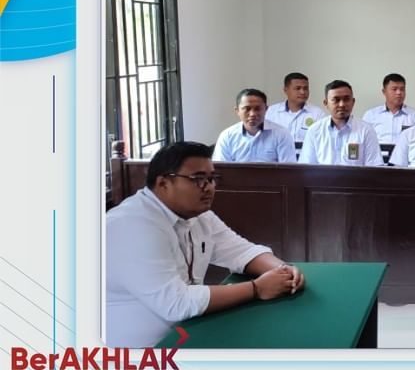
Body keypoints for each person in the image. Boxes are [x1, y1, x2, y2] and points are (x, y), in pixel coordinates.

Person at [106, 142, 305, 348]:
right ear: (163, 183)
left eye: (211, 178)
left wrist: (282, 270)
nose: (209, 187)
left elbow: (241, 251)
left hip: (187, 331)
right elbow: (176, 303)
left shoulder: (199, 216)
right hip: (136, 350)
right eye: (198, 179)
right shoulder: (133, 225)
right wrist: (256, 289)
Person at [299, 80, 382, 166]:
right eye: (336, 100)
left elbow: (374, 168)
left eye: (346, 99)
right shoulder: (314, 130)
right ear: (326, 103)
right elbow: (306, 167)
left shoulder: (366, 130)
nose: (341, 104)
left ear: (353, 102)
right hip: (323, 175)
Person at [212, 89, 295, 163]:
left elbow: (288, 170)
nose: (252, 114)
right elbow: (221, 169)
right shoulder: (227, 136)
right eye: (247, 109)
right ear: (237, 111)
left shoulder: (282, 134)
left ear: (266, 109)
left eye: (257, 109)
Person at [264, 72, 327, 158]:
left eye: (305, 88)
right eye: (298, 88)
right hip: (276, 161)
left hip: (306, 162)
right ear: (285, 90)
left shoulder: (317, 114)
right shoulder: (271, 112)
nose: (302, 92)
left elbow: (322, 143)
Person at [361, 73, 415, 145]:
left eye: (402, 89)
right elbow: (363, 141)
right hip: (378, 151)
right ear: (384, 92)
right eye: (394, 89)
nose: (399, 93)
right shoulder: (371, 115)